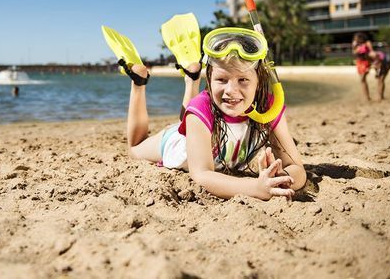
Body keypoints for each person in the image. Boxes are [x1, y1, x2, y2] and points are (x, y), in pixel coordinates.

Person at [102, 18, 306, 201]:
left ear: (259, 82)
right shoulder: (200, 107)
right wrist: (255, 187)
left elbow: (297, 168)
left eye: (243, 80)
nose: (231, 91)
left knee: (191, 116)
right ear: (209, 80)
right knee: (134, 149)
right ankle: (139, 81)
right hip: (178, 141)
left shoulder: (269, 108)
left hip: (204, 130)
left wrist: (280, 180)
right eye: (221, 79)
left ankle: (191, 76)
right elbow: (201, 174)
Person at [352, 32, 390, 101]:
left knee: (381, 79)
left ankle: (381, 97)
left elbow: (379, 63)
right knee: (380, 79)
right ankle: (380, 97)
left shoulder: (371, 54)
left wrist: (376, 71)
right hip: (380, 61)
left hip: (386, 61)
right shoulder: (366, 56)